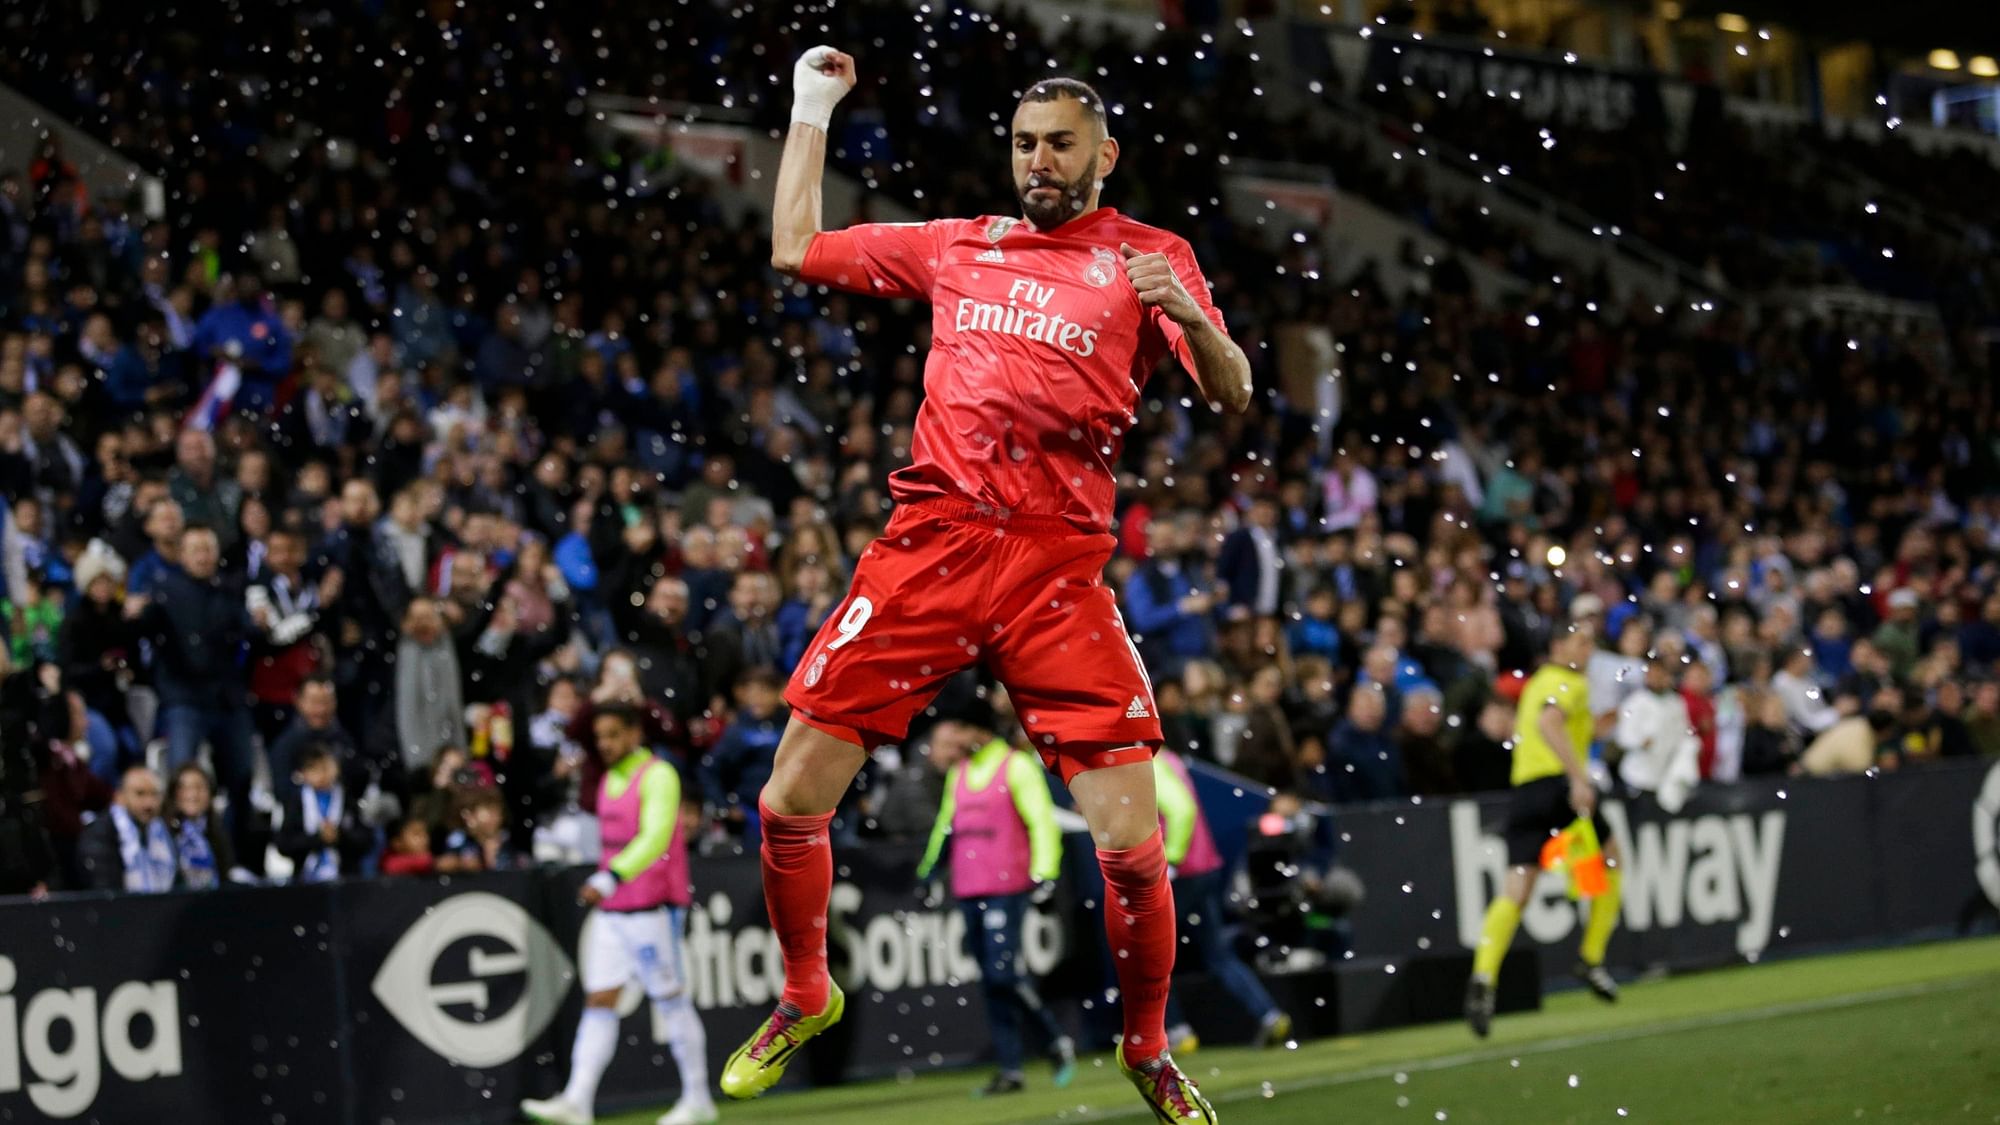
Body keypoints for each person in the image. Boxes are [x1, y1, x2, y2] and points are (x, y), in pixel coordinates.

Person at [722, 50, 1250, 1124]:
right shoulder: (960, 244)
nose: (1038, 162)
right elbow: (794, 246)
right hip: (935, 543)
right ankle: (805, 993)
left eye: (1059, 143)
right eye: (1022, 144)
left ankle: (1145, 1049)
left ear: (1105, 155)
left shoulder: (1151, 258)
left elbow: (1232, 390)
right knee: (787, 797)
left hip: (1056, 564)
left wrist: (1189, 319)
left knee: (1130, 842)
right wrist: (810, 107)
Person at [522, 704, 714, 1125]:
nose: (605, 744)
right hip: (614, 909)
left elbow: (657, 836)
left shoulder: (660, 774)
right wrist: (610, 882)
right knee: (600, 998)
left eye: (612, 735)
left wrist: (611, 876)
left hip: (653, 907)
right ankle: (577, 1100)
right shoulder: (609, 778)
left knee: (669, 1000)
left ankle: (699, 1098)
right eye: (600, 737)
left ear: (633, 734)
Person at [1465, 621, 1623, 1037]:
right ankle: (1590, 958)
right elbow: (1549, 724)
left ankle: (1483, 976)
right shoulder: (1568, 681)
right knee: (1609, 861)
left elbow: (1549, 725)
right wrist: (1579, 778)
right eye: (1580, 642)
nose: (1587, 651)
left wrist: (1598, 728)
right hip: (1557, 788)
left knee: (1517, 889)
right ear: (1558, 646)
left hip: (1525, 793)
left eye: (1591, 644)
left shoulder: (1536, 684)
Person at [913, 702, 1077, 1097]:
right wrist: (929, 872)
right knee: (992, 980)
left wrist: (1045, 875)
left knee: (1002, 974)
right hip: (971, 887)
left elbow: (1041, 821)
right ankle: (1012, 1068)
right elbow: (947, 826)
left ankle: (1052, 1038)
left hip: (1007, 886)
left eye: (961, 729)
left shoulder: (1016, 766)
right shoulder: (961, 772)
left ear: (979, 731)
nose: (954, 738)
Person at [1155, 747, 1292, 1051]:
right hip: (1204, 866)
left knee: (1153, 955)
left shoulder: (1148, 764)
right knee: (1217, 954)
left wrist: (1173, 859)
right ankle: (1268, 1013)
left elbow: (1181, 811)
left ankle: (1176, 1030)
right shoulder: (1171, 760)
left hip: (1182, 872)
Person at [274, 743, 372, 883]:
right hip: (305, 880)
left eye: (326, 767)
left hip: (346, 878)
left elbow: (366, 840)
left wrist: (340, 836)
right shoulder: (295, 801)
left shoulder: (347, 797)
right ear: (303, 773)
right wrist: (318, 839)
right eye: (315, 769)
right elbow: (283, 844)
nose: (323, 774)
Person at [77, 765, 177, 893]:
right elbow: (104, 892)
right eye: (140, 794)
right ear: (120, 796)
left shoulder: (166, 831)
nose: (149, 803)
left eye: (155, 794)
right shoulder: (100, 834)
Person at [167, 763, 236, 889]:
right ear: (173, 793)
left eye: (199, 787)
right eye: (184, 788)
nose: (192, 794)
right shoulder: (163, 832)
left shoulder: (218, 834)